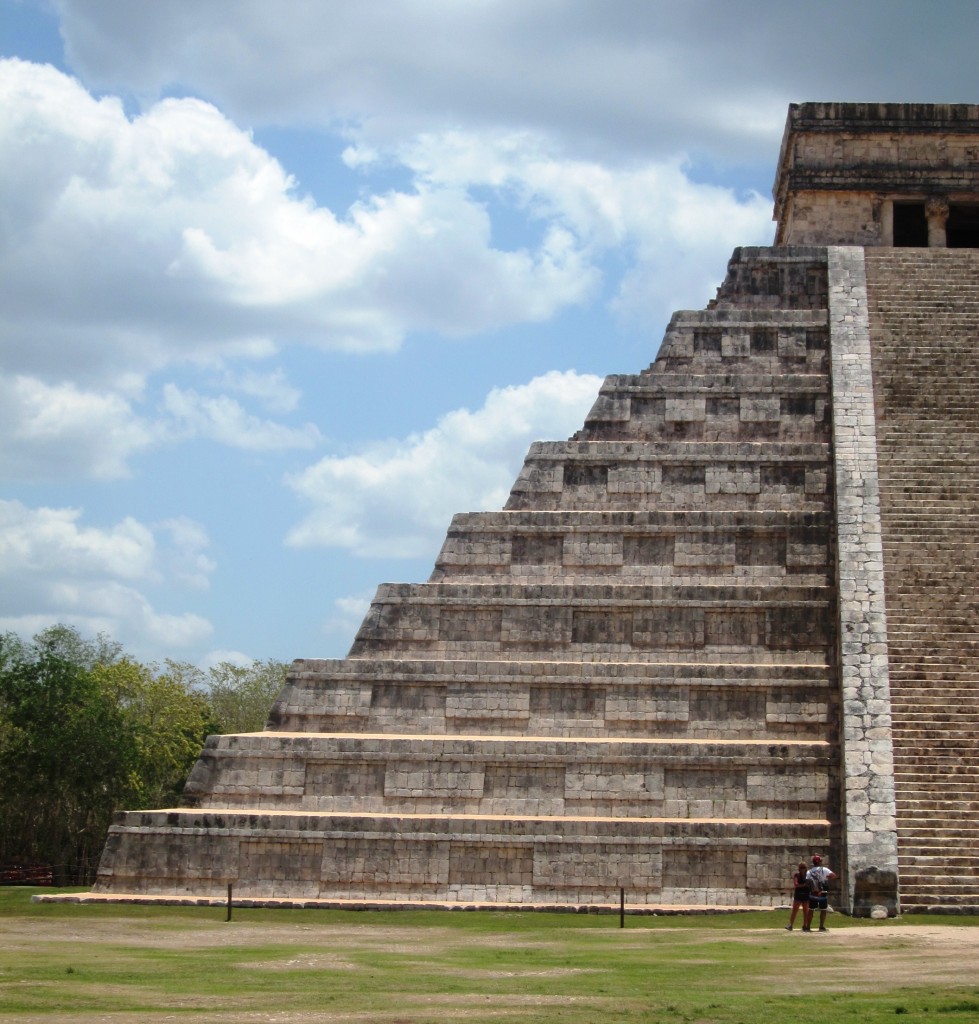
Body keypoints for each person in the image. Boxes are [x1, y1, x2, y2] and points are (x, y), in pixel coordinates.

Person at [803, 854, 837, 931]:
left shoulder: (809, 872)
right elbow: (834, 875)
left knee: (811, 909)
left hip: (813, 892)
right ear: (819, 862)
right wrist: (827, 878)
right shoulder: (824, 869)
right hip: (822, 891)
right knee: (823, 909)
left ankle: (808, 927)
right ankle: (821, 926)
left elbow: (807, 881)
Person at [785, 861, 810, 930]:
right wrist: (804, 885)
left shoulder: (808, 875)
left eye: (803, 867)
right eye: (801, 867)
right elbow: (796, 884)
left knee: (805, 911)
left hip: (806, 894)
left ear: (806, 868)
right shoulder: (797, 875)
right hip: (798, 894)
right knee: (795, 910)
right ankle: (790, 925)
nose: (802, 869)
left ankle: (805, 925)